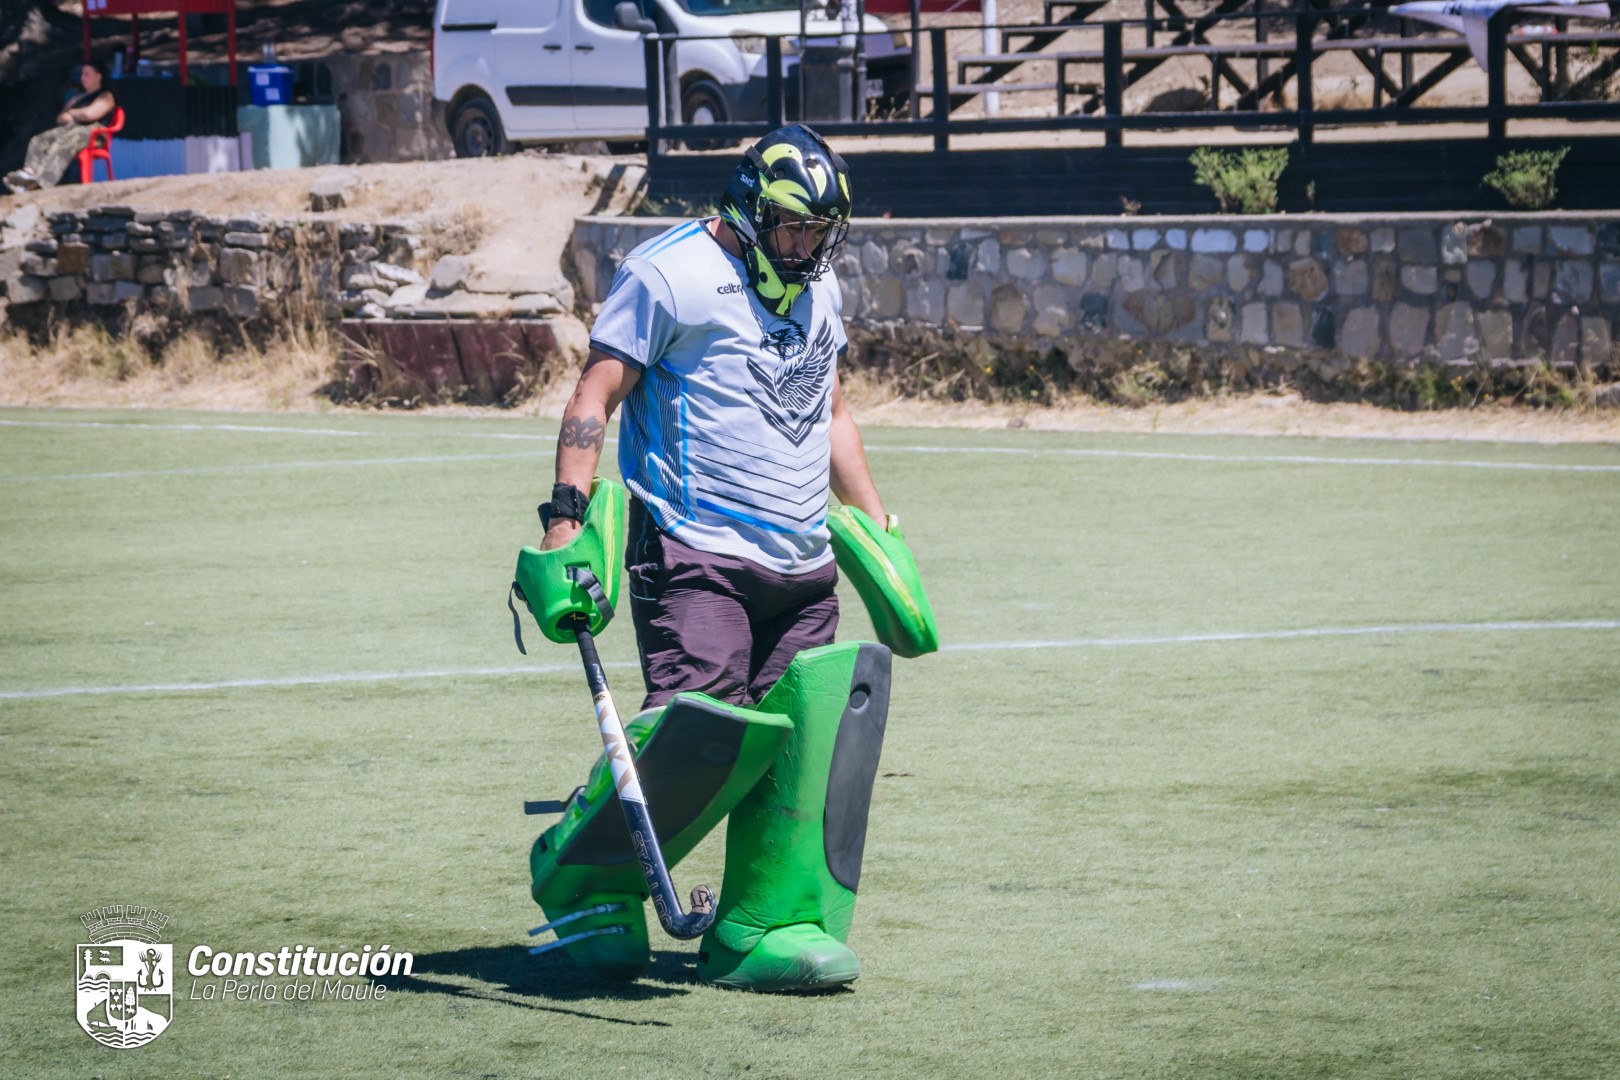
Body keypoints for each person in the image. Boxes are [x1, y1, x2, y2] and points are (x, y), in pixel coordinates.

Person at [517, 124, 933, 994]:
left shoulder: (818, 288)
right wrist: (565, 520)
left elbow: (833, 413)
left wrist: (878, 528)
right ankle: (583, 879)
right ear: (748, 209)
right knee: (696, 735)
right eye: (793, 226)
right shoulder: (668, 274)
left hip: (803, 565)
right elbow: (597, 390)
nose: (807, 245)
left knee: (802, 744)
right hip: (693, 552)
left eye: (821, 230)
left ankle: (760, 925)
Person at [4, 59, 117, 193]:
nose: (83, 77)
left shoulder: (105, 95)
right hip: (71, 129)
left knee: (64, 142)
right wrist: (73, 115)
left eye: (87, 74)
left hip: (93, 134)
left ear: (98, 76)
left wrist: (72, 113)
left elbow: (90, 115)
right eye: (82, 74)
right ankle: (29, 174)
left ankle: (42, 183)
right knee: (40, 139)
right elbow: (61, 117)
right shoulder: (78, 97)